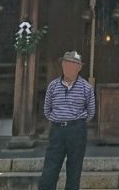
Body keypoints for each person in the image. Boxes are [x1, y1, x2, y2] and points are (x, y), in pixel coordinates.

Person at [38, 50, 95, 190]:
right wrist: (58, 119)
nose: (70, 67)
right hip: (57, 130)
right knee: (50, 168)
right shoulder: (53, 86)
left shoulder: (86, 87)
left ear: (80, 67)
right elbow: (47, 109)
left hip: (77, 130)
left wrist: (76, 122)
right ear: (62, 65)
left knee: (74, 169)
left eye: (75, 64)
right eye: (68, 63)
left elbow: (91, 112)